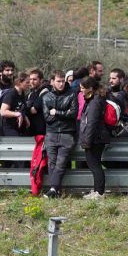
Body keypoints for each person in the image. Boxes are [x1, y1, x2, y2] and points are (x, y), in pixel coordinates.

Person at [42, 70, 78, 198]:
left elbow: (73, 114)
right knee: (51, 163)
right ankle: (55, 190)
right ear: (52, 82)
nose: (61, 84)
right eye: (58, 81)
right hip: (51, 133)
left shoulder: (72, 94)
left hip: (67, 133)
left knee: (61, 163)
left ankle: (53, 189)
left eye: (63, 81)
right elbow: (47, 117)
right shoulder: (46, 97)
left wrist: (56, 112)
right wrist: (64, 113)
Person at [79, 77, 110, 199]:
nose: (80, 90)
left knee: (94, 165)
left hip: (95, 138)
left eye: (82, 88)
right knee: (95, 164)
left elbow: (91, 123)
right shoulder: (96, 99)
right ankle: (97, 190)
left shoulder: (95, 102)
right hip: (97, 137)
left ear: (90, 88)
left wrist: (87, 141)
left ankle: (99, 192)